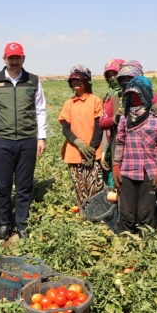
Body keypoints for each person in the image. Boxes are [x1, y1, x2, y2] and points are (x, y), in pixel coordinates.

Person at [0, 42, 48, 240]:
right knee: (2, 187)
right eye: (11, 58)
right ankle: (4, 225)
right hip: (1, 140)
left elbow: (40, 110)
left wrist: (41, 137)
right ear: (5, 59)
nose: (14, 61)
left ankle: (21, 224)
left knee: (24, 186)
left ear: (23, 59)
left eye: (17, 58)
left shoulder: (33, 81)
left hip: (27, 140)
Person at [112, 73, 157, 233]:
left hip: (149, 172)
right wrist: (116, 166)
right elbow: (120, 142)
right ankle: (124, 247)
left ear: (145, 93)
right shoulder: (124, 117)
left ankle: (146, 248)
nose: (133, 98)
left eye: (136, 94)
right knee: (127, 214)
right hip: (128, 170)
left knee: (146, 214)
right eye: (130, 94)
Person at [58, 65, 105, 207]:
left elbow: (99, 127)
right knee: (79, 184)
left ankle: (98, 212)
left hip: (93, 151)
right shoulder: (68, 103)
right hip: (74, 151)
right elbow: (65, 129)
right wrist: (79, 144)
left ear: (86, 81)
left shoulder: (95, 100)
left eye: (79, 80)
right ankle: (84, 212)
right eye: (73, 80)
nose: (75, 83)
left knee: (94, 184)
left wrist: (90, 149)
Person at [98, 58, 125, 187]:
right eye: (109, 76)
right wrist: (104, 151)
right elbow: (105, 126)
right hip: (113, 146)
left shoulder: (136, 95)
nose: (113, 78)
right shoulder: (108, 98)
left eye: (115, 74)